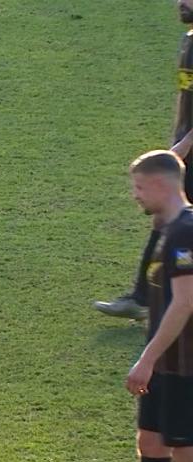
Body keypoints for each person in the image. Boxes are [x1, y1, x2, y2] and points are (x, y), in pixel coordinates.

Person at [83, 150, 193, 462]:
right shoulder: (166, 230)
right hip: (165, 363)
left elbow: (184, 303)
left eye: (140, 187)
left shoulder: (185, 232)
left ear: (162, 185)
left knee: (183, 456)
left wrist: (146, 359)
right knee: (151, 444)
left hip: (183, 366)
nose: (135, 195)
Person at [95, 1, 193, 320]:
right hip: (185, 148)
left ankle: (148, 298)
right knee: (165, 217)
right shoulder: (189, 40)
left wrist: (182, 146)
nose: (180, 2)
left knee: (171, 217)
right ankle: (143, 297)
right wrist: (176, 137)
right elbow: (185, 98)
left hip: (188, 149)